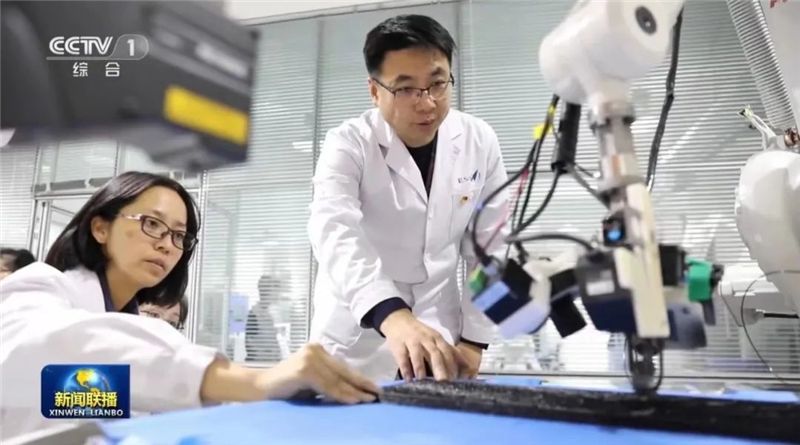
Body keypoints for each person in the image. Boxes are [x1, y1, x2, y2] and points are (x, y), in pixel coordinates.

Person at [0, 171, 379, 441]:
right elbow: (38, 356)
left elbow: (84, 391)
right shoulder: (40, 286)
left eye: (179, 236)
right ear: (101, 228)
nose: (167, 244)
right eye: (152, 224)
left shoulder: (135, 325)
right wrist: (249, 381)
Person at [308, 14, 509, 383]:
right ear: (375, 90)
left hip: (441, 337)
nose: (427, 103)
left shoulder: (479, 140)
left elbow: (489, 246)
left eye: (438, 84)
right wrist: (391, 314)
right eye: (406, 89)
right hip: (358, 339)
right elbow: (334, 232)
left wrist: (474, 341)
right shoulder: (348, 144)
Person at [246, 274, 283, 362]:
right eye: (275, 289)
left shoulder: (269, 316)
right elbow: (252, 348)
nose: (278, 294)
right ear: (267, 291)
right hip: (260, 366)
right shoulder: (254, 315)